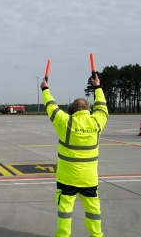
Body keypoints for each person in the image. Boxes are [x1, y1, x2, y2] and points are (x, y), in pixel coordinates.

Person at [40, 73, 108, 237]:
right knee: (93, 210)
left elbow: (51, 106)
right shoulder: (97, 121)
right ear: (88, 109)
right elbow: (102, 106)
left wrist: (45, 89)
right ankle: (96, 235)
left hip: (67, 178)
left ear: (71, 109)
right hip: (89, 178)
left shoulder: (65, 122)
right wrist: (97, 87)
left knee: (64, 211)